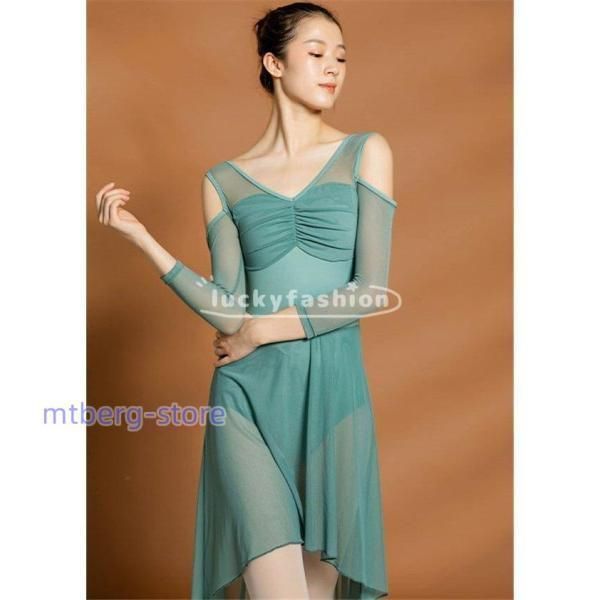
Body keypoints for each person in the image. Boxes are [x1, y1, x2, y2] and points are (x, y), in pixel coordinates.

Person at [95, 2, 397, 598]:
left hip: (332, 398)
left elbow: (370, 291)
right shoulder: (224, 181)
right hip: (246, 400)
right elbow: (230, 310)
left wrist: (260, 330)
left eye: (340, 58)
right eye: (316, 53)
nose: (333, 68)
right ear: (274, 63)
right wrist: (143, 240)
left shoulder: (367, 152)